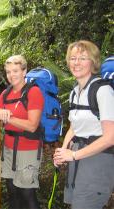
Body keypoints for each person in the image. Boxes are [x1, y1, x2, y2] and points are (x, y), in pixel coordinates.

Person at [53, 40, 114, 209]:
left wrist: (72, 155)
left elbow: (110, 138)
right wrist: (62, 152)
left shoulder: (102, 91)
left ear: (93, 62)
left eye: (82, 58)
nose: (76, 63)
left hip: (98, 161)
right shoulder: (75, 92)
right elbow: (74, 127)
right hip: (78, 158)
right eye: (73, 58)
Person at [0, 55, 44, 209]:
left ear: (24, 71)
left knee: (27, 193)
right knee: (12, 191)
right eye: (8, 72)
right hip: (8, 149)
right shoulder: (6, 94)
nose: (11, 75)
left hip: (28, 149)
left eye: (15, 71)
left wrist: (8, 118)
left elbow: (32, 125)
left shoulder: (33, 92)